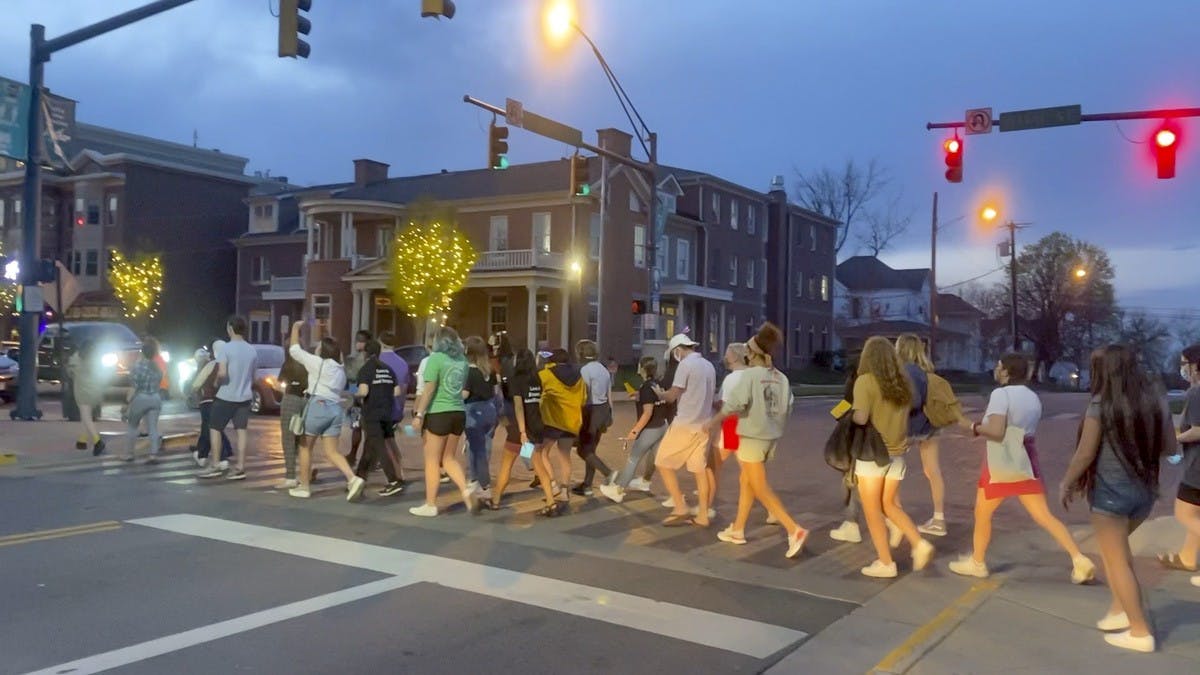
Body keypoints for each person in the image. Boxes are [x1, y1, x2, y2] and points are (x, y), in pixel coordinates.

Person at [1060, 345, 1176, 653]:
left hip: (1111, 496)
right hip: (1144, 494)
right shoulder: (1155, 402)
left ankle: (1139, 632)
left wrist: (1066, 483)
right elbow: (1169, 448)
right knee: (1118, 555)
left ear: (1104, 371)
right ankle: (1118, 609)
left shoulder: (1100, 404)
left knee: (1116, 561)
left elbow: (1085, 453)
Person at [950, 353, 1095, 584]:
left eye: (998, 366)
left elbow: (997, 431)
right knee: (1043, 515)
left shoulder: (1000, 394)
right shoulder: (1032, 397)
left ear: (1006, 371)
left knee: (983, 512)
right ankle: (1078, 558)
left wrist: (973, 426)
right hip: (1026, 457)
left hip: (1002, 458)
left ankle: (977, 562)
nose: (996, 370)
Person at [709, 324, 809, 557]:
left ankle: (794, 530)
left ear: (752, 353)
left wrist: (712, 422)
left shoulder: (751, 375)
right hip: (770, 436)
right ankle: (738, 529)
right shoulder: (780, 377)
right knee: (747, 481)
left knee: (759, 486)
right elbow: (789, 406)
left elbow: (734, 405)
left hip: (751, 436)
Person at [852, 336, 934, 578]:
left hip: (872, 454)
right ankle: (919, 543)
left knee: (872, 511)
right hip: (897, 453)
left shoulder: (865, 382)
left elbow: (860, 418)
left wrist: (851, 413)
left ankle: (885, 562)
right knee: (889, 504)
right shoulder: (903, 384)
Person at [286, 321, 365, 501]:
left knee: (305, 447)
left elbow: (294, 351)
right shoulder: (340, 370)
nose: (316, 348)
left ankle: (304, 486)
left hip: (318, 405)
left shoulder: (318, 363)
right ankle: (352, 479)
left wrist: (296, 329)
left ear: (323, 351)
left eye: (319, 346)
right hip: (335, 410)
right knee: (332, 451)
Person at [409, 326, 476, 517]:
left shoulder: (435, 359)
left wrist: (419, 415)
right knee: (449, 458)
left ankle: (430, 504)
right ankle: (465, 489)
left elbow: (429, 388)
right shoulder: (462, 361)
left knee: (432, 460)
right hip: (458, 411)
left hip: (438, 412)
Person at [653, 334, 716, 528]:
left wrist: (660, 394)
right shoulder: (708, 365)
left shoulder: (686, 365)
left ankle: (680, 506)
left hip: (685, 423)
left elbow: (673, 395)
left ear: (678, 350)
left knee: (662, 461)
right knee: (699, 470)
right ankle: (703, 515)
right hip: (704, 424)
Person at [894, 334, 948, 537]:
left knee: (893, 470)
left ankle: (896, 516)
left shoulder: (906, 371)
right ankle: (939, 518)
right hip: (930, 426)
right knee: (933, 471)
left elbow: (913, 400)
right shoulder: (928, 371)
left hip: (909, 428)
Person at [601, 357, 669, 503]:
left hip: (651, 428)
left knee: (633, 458)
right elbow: (657, 401)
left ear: (642, 369)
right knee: (652, 456)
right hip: (662, 425)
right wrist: (639, 396)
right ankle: (645, 482)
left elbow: (647, 412)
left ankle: (618, 489)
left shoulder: (645, 388)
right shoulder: (657, 384)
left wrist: (634, 431)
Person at [1159, 343, 1200, 586]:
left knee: (1184, 513)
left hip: (1197, 467)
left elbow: (1198, 430)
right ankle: (1186, 557)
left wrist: (1173, 440)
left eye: (1185, 363)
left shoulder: (1196, 393)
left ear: (1196, 364)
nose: (1182, 368)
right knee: (1195, 512)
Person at [199, 316, 257, 481]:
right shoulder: (252, 350)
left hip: (226, 396)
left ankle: (216, 464)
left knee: (215, 427)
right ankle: (240, 467)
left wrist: (217, 382)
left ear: (230, 328)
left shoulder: (226, 349)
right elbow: (254, 377)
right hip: (244, 397)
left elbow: (222, 373)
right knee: (241, 431)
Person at [489, 348, 547, 511]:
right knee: (538, 464)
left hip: (518, 431)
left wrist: (520, 431)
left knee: (506, 465)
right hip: (534, 429)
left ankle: (496, 499)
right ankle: (551, 498)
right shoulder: (537, 380)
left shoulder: (516, 381)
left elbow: (518, 407)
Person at [355, 338, 405, 496]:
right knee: (369, 447)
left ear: (366, 353)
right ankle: (358, 478)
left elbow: (363, 391)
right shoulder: (388, 369)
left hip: (372, 414)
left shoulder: (365, 369)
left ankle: (393, 480)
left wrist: (353, 396)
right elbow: (397, 391)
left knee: (379, 447)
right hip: (387, 413)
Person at [538, 348, 586, 508]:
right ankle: (565, 491)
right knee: (565, 456)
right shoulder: (580, 377)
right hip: (571, 422)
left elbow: (538, 393)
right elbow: (584, 399)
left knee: (542, 452)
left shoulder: (546, 374)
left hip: (552, 420)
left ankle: (552, 484)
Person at [574, 339, 615, 496]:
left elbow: (584, 394)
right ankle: (587, 485)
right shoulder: (603, 369)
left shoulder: (585, 370)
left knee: (583, 450)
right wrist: (610, 414)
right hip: (603, 410)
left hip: (590, 411)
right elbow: (609, 393)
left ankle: (608, 473)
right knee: (591, 449)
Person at [462, 335, 500, 499]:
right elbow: (496, 391)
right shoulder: (489, 370)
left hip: (473, 411)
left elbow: (465, 394)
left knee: (476, 450)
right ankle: (478, 481)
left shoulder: (469, 372)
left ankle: (482, 484)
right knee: (484, 447)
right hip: (490, 410)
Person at [191, 343, 233, 469]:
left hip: (207, 401)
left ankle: (217, 457)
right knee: (213, 428)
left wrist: (194, 391)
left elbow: (196, 383)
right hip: (224, 401)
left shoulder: (212, 364)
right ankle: (202, 454)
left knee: (210, 428)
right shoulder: (230, 366)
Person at [376, 331, 410, 486]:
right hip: (395, 406)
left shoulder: (377, 360)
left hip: (380, 407)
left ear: (380, 342)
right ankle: (399, 471)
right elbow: (404, 387)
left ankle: (395, 475)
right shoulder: (402, 363)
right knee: (390, 440)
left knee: (385, 442)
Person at [275, 343, 309, 489]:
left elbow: (278, 385)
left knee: (288, 438)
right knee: (304, 439)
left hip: (290, 399)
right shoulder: (308, 362)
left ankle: (290, 476)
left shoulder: (287, 364)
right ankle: (305, 476)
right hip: (306, 400)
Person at [123, 341, 163, 464]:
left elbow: (133, 387)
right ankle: (153, 455)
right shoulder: (157, 368)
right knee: (153, 428)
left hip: (141, 398)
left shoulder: (137, 367)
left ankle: (129, 454)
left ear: (142, 352)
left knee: (133, 426)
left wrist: (127, 402)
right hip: (155, 398)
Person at [67, 340, 106, 456]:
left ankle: (97, 441)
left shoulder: (75, 358)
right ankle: (82, 440)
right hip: (96, 391)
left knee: (86, 417)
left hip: (82, 391)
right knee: (86, 416)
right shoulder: (96, 359)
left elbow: (70, 373)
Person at [343, 330, 372, 466]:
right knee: (359, 428)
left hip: (358, 399)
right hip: (361, 398)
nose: (357, 343)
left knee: (358, 428)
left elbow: (351, 376)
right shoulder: (371, 358)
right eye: (357, 340)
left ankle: (357, 456)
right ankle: (356, 455)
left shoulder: (358, 360)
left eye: (360, 340)